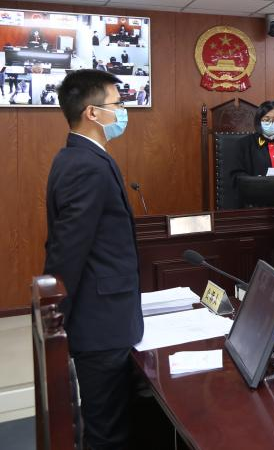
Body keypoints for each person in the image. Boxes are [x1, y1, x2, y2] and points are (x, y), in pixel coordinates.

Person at [42, 69, 141, 450]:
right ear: (93, 113)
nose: (123, 111)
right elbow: (67, 250)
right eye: (118, 104)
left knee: (114, 422)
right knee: (107, 432)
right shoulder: (85, 164)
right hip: (100, 323)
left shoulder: (80, 156)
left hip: (106, 315)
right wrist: (55, 321)